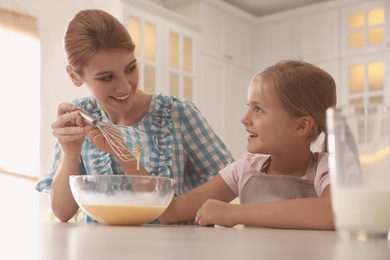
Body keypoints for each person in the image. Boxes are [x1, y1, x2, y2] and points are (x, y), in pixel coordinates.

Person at [35, 9, 234, 223]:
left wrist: (178, 209)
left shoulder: (178, 114)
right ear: (74, 76)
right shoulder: (79, 118)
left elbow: (231, 182)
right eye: (107, 77)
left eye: (130, 68)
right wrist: (70, 153)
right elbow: (62, 213)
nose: (124, 86)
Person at [159, 60, 337, 230]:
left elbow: (334, 212)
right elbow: (171, 212)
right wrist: (129, 150)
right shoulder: (244, 169)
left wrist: (233, 213)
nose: (244, 119)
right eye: (249, 106)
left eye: (259, 109)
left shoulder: (327, 169)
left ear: (301, 126)